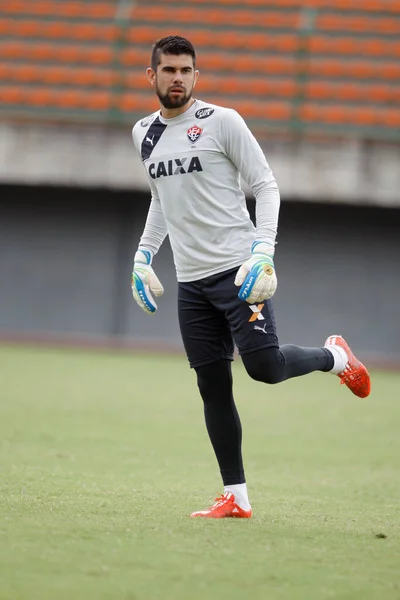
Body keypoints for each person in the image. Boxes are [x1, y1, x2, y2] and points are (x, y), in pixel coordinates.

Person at [130, 35, 371, 519]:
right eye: (168, 70)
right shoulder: (143, 133)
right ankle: (235, 496)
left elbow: (265, 185)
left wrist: (263, 250)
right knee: (212, 386)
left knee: (264, 369)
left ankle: (334, 356)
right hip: (191, 283)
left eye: (185, 70)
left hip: (238, 272)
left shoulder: (222, 122)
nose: (177, 78)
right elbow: (162, 196)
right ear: (151, 76)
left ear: (196, 77)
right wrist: (143, 255)